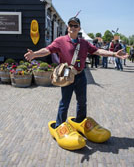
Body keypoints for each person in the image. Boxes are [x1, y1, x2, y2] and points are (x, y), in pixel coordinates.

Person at [24, 17, 128, 150]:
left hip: (80, 75)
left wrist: (114, 54)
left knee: (82, 101)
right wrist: (35, 54)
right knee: (65, 102)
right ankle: (59, 126)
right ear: (68, 27)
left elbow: (98, 51)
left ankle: (79, 122)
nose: (72, 27)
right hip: (67, 75)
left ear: (79, 28)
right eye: (71, 25)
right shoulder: (60, 41)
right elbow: (48, 50)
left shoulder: (84, 43)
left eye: (75, 25)